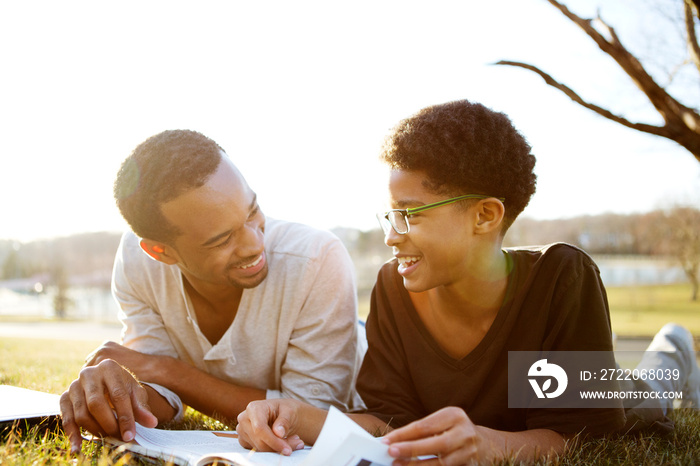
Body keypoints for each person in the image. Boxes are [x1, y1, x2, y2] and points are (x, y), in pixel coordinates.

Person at [235, 100, 700, 463]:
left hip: (618, 397)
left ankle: (675, 348)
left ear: (485, 215)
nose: (391, 236)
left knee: (652, 390)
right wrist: (300, 417)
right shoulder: (393, 288)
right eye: (388, 215)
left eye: (409, 215)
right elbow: (388, 422)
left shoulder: (561, 277)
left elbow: (579, 436)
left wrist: (486, 444)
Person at [59, 129, 364, 454]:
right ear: (161, 252)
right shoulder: (138, 263)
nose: (254, 244)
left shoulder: (316, 260)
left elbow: (301, 416)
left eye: (252, 210)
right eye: (221, 239)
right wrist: (122, 394)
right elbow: (162, 398)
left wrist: (168, 370)